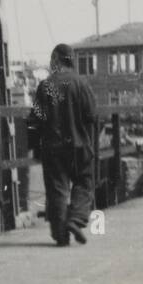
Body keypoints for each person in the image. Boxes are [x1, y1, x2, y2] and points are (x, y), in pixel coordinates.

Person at [30, 43, 97, 246]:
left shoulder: (46, 85)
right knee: (84, 183)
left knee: (57, 188)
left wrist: (35, 148)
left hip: (53, 147)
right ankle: (76, 219)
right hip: (79, 145)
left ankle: (60, 235)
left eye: (52, 60)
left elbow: (35, 121)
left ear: (57, 60)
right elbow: (92, 116)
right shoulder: (82, 83)